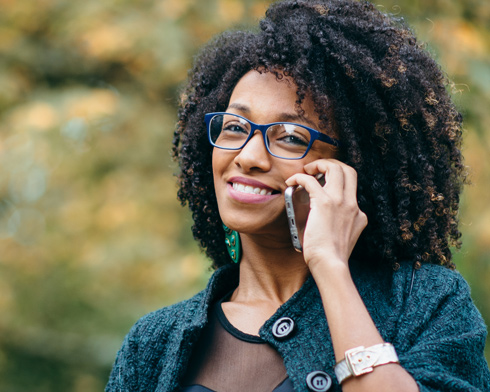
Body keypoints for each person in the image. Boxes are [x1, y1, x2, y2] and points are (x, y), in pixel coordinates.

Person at [105, 1, 490, 391]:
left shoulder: (424, 302)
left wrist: (330, 268)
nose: (248, 157)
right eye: (235, 127)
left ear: (353, 166)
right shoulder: (153, 343)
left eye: (290, 137)